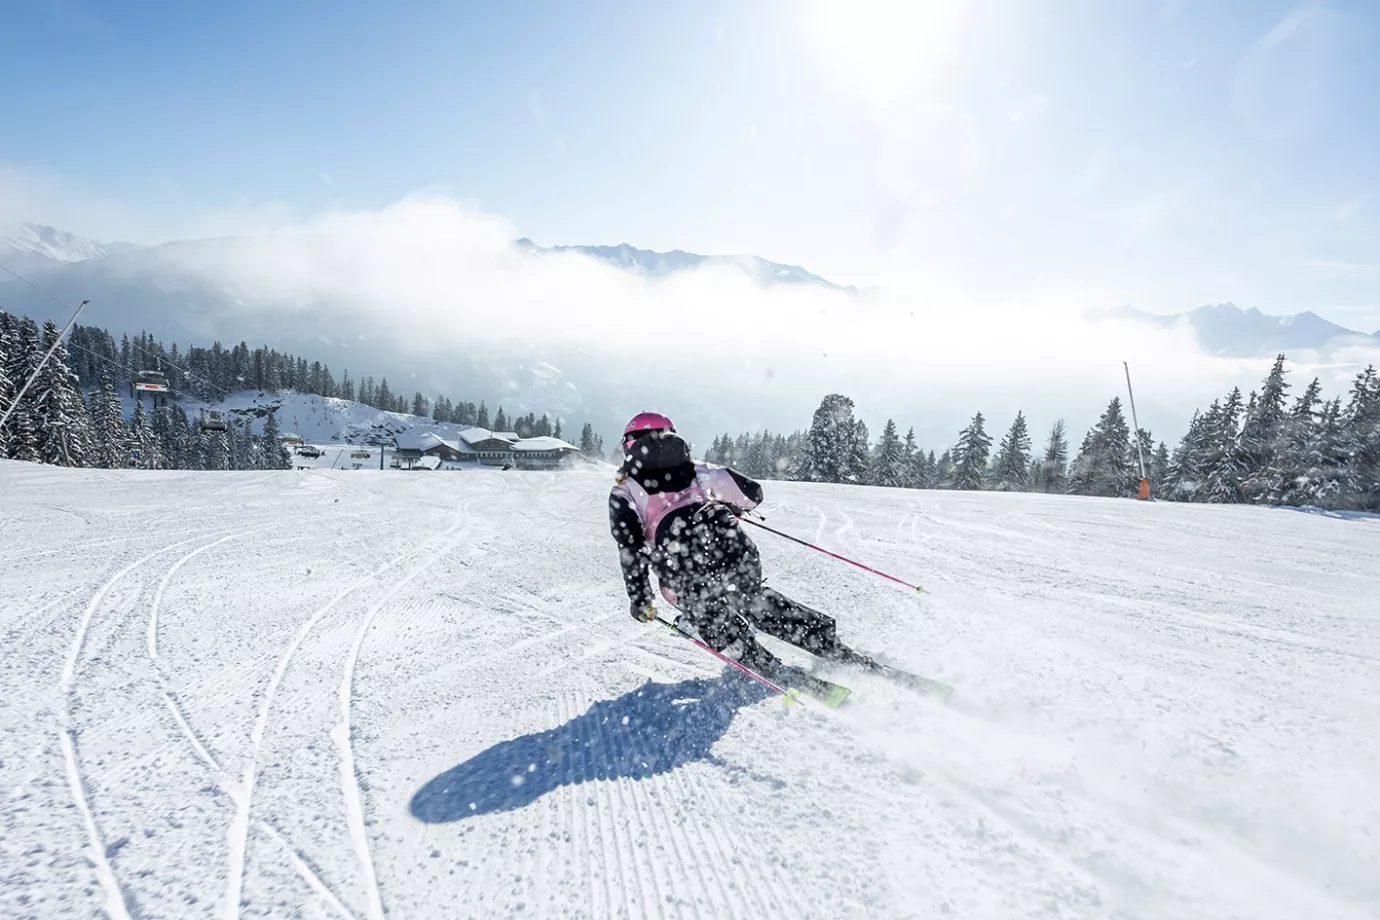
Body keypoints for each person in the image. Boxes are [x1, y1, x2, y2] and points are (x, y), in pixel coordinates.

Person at [608, 411, 871, 678]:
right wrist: (729, 505)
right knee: (750, 597)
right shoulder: (697, 469)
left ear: (631, 444)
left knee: (701, 606)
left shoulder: (625, 490)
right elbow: (752, 493)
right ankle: (828, 644)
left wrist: (640, 600)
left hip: (681, 561)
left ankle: (760, 661)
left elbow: (630, 548)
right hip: (730, 544)